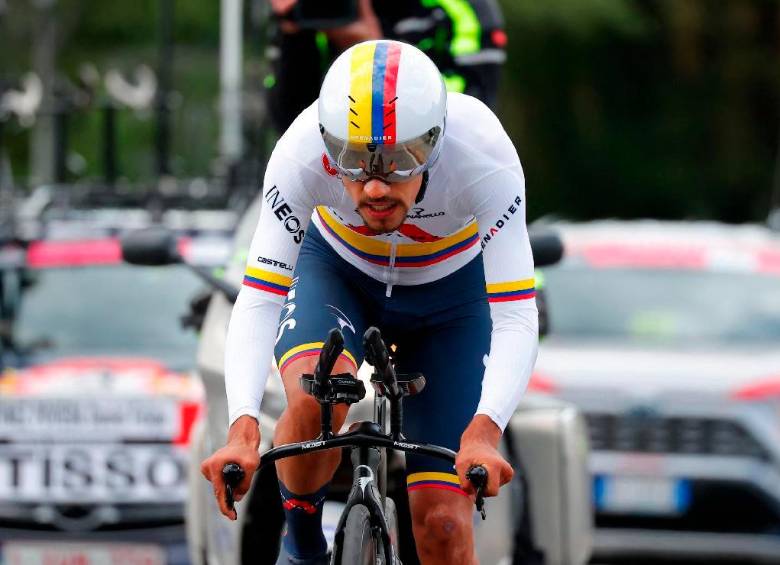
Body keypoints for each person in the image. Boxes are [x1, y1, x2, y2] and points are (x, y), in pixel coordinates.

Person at [201, 40, 538, 565]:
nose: (376, 186)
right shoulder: (299, 150)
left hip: (448, 301)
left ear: (437, 140)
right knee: (317, 397)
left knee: (444, 526)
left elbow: (515, 311)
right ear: (329, 144)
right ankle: (302, 541)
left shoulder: (484, 154)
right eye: (354, 162)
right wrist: (243, 427)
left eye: (402, 160)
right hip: (340, 274)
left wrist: (485, 430)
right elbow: (260, 296)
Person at [266, 0, 507, 133]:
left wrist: (373, 51)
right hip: (333, 184)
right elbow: (290, 127)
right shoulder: (310, 13)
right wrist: (293, 31)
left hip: (442, 184)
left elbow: (469, 117)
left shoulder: (463, 9)